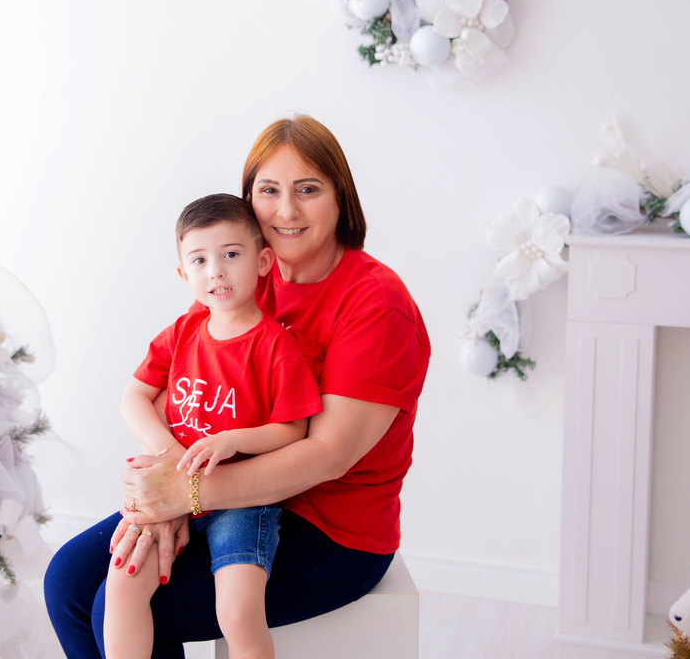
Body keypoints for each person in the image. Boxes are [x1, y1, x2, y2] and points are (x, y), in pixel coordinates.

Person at [45, 115, 431, 659]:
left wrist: (184, 494)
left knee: (128, 603)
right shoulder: (245, 277)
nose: (286, 210)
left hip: (329, 530)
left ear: (341, 197)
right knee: (67, 581)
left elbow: (330, 455)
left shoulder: (376, 303)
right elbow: (177, 385)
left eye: (308, 189)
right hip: (217, 493)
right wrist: (169, 487)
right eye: (269, 191)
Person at [104, 194, 323, 659]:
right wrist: (168, 454)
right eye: (200, 260)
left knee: (238, 613)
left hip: (241, 501)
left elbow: (293, 430)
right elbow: (132, 398)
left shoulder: (277, 347)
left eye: (231, 254)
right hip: (169, 486)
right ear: (183, 274)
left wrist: (231, 440)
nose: (216, 272)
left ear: (263, 262)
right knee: (122, 584)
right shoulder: (182, 332)